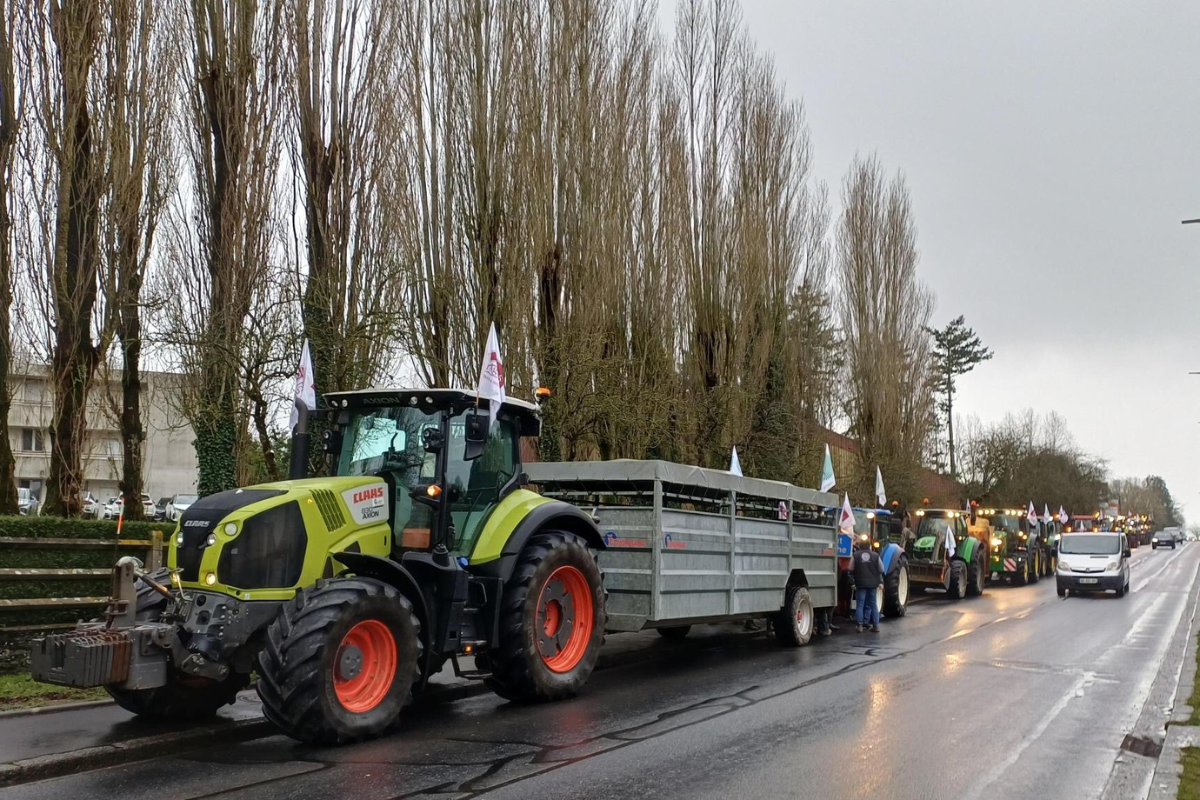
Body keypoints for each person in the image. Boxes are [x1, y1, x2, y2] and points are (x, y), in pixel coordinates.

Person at [852, 544, 883, 633]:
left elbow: (850, 567)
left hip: (860, 583)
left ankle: (860, 626)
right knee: (873, 604)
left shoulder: (856, 555)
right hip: (873, 584)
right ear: (869, 546)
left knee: (860, 604)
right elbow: (881, 569)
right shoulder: (876, 556)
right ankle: (876, 626)